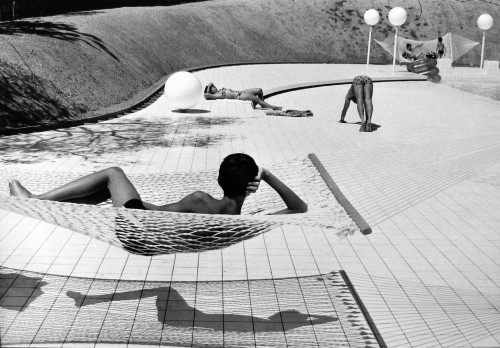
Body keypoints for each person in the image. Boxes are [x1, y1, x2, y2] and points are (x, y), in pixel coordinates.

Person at [9, 153, 307, 215]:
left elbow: (157, 215)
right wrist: (265, 175)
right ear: (249, 187)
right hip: (148, 233)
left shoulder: (202, 200)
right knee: (103, 193)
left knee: (113, 173)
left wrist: (130, 204)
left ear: (220, 180)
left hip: (140, 229)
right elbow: (299, 207)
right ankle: (44, 207)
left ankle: (35, 201)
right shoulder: (241, 222)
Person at [204, 83, 282, 110]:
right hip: (239, 96)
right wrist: (208, 89)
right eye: (212, 88)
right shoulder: (216, 95)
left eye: (213, 87)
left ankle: (263, 104)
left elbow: (211, 83)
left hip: (241, 92)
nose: (214, 87)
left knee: (259, 90)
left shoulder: (219, 91)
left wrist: (209, 86)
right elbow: (205, 95)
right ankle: (272, 107)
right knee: (257, 99)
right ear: (211, 91)